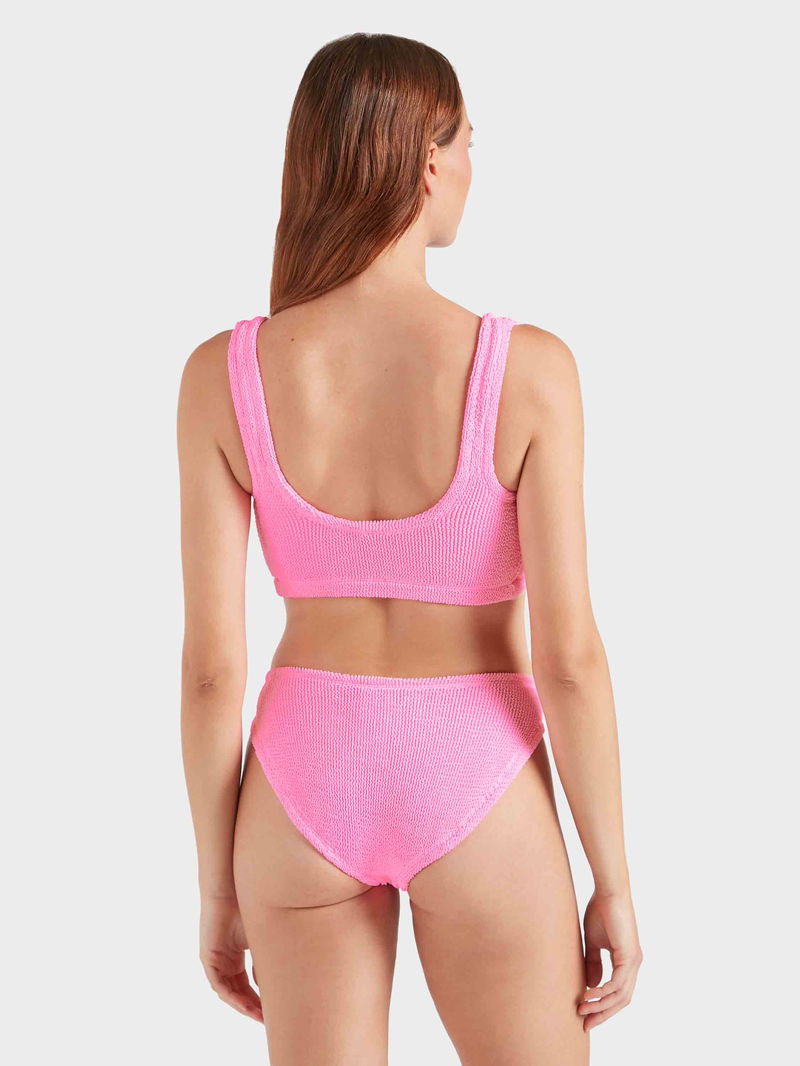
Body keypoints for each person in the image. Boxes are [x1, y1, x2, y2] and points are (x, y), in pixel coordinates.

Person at [177, 31, 642, 1066]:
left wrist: (218, 884)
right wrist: (611, 877)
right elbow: (569, 660)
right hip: (472, 770)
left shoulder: (223, 374)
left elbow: (211, 670)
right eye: (468, 143)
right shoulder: (527, 371)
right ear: (427, 162)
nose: (471, 167)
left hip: (300, 776)